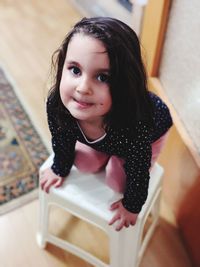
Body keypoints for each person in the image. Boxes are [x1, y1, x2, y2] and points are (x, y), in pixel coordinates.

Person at [40, 17, 173, 231]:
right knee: (83, 164)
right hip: (108, 139)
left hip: (150, 133)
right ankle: (106, 153)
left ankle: (114, 157)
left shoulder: (134, 125)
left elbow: (138, 170)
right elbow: (62, 138)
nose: (83, 88)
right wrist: (59, 168)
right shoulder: (57, 104)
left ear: (125, 84)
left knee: (116, 181)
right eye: (75, 70)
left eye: (102, 77)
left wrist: (132, 206)